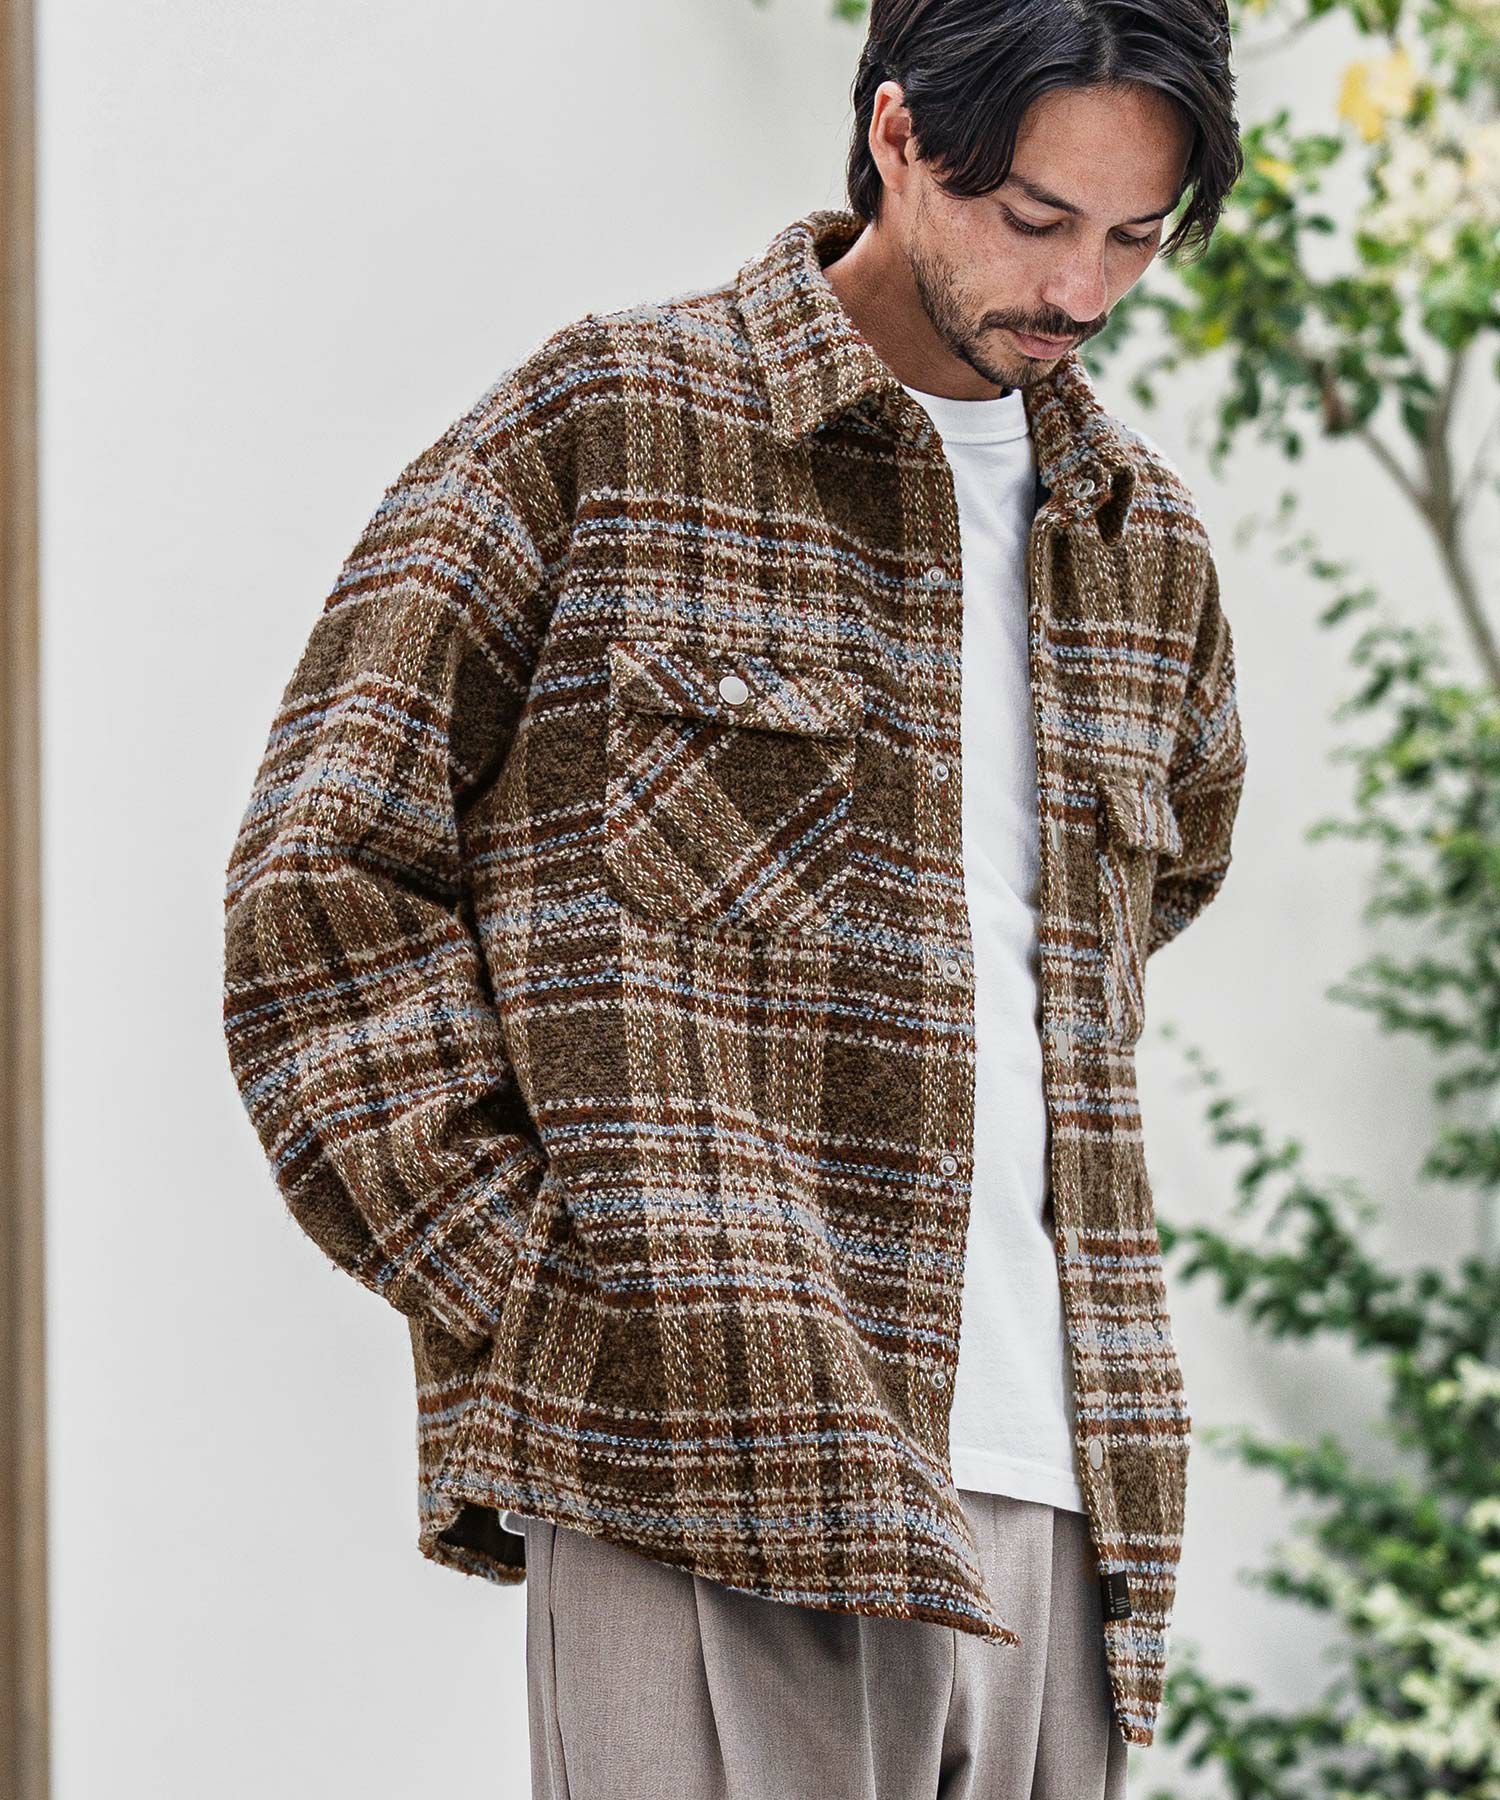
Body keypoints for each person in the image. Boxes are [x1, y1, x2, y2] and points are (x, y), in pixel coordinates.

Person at [221, 0, 1248, 1792]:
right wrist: (566, 1296)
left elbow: (1137, 907)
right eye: (1035, 218)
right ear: (900, 135)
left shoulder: (1139, 544)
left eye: (1134, 237)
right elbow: (323, 881)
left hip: (1069, 1500)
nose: (1080, 288)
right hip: (711, 1464)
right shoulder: (614, 425)